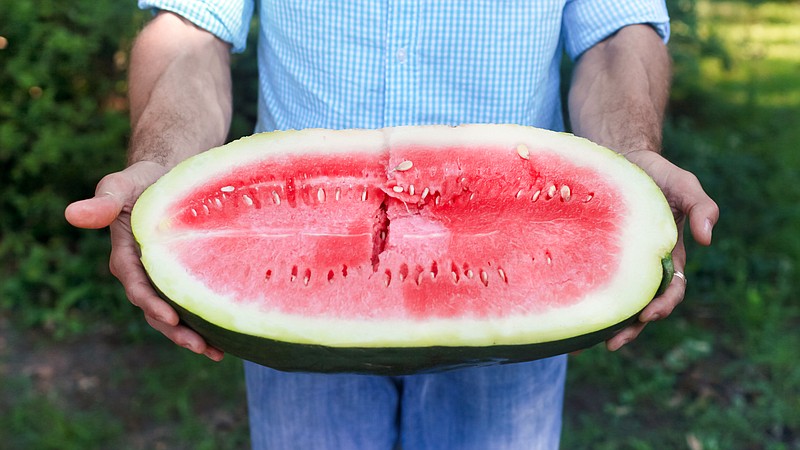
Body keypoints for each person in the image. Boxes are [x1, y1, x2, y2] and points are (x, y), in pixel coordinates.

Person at [65, 1, 719, 448]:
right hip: (294, 279)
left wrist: (632, 159)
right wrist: (161, 166)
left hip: (517, 283)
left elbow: (616, 33)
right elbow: (191, 29)